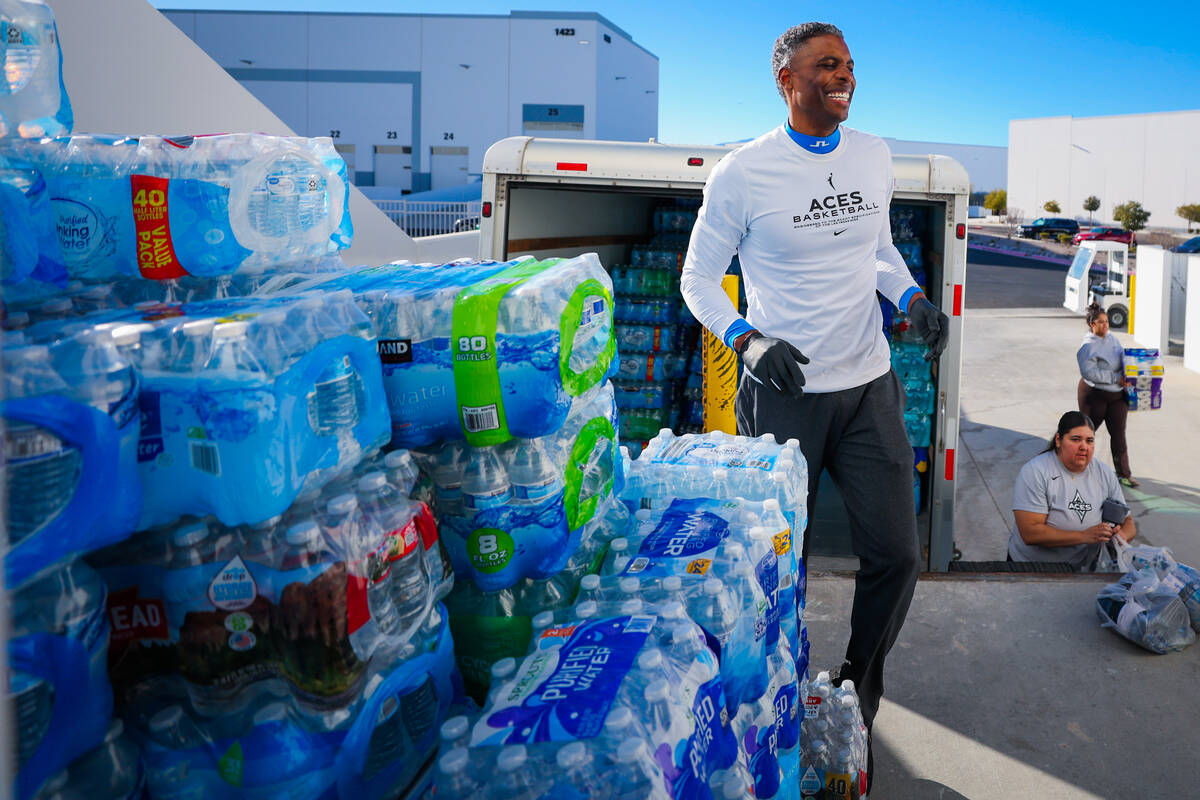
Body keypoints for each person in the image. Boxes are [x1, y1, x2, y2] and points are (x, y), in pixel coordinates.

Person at [680, 21, 950, 787]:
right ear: (785, 79)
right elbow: (696, 280)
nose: (844, 75)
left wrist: (912, 296)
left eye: (850, 64)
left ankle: (859, 685)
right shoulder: (743, 173)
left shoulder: (872, 155)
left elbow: (876, 246)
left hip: (868, 387)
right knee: (781, 567)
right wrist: (746, 338)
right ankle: (780, 689)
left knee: (897, 553)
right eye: (826, 64)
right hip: (785, 395)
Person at [1010, 410, 1136, 570]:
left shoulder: (1104, 473)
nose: (1084, 447)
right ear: (1058, 440)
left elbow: (1128, 523)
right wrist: (1084, 536)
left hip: (1085, 568)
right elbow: (1030, 532)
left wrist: (1119, 537)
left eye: (1090, 441)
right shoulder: (1036, 471)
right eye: (1076, 439)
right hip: (1034, 568)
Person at [1077, 302, 1138, 487]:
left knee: (1119, 434)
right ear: (1092, 324)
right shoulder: (1088, 346)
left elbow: (1122, 358)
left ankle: (1124, 474)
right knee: (1085, 434)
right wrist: (1115, 378)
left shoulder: (1112, 338)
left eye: (1107, 322)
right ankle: (1077, 468)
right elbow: (1089, 372)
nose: (1106, 325)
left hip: (1117, 396)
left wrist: (1133, 370)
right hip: (1095, 395)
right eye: (1101, 322)